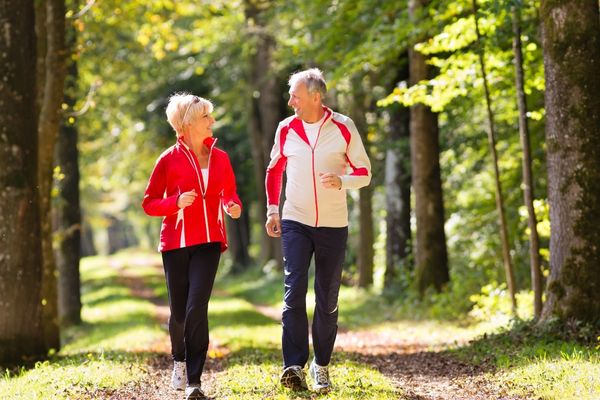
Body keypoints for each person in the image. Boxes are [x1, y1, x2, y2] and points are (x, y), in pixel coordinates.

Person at [264, 68, 371, 393]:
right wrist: (272, 210)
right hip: (295, 219)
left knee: (327, 299)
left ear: (315, 96)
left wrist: (343, 181)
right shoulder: (287, 128)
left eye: (295, 95)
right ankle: (293, 365)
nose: (290, 101)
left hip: (333, 225)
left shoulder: (343, 126)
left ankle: (321, 366)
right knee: (294, 290)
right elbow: (274, 170)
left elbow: (364, 172)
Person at [142, 93, 242, 400]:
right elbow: (149, 203)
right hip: (175, 242)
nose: (212, 121)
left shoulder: (220, 158)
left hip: (210, 241)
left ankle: (195, 381)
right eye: (206, 117)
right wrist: (175, 203)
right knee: (180, 312)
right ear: (186, 124)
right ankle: (179, 360)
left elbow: (230, 194)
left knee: (197, 307)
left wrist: (232, 205)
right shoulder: (167, 160)